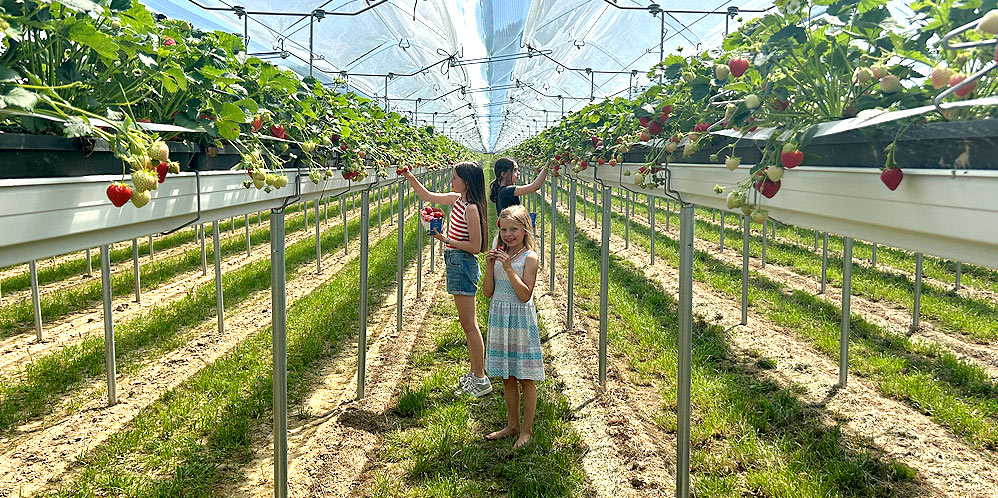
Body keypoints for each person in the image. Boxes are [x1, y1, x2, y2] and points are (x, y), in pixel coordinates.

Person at [401, 162, 492, 397]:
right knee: (466, 324)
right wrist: (409, 176)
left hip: (463, 262)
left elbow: (475, 246)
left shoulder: (471, 208)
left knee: (470, 324)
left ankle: (480, 379)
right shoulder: (457, 200)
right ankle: (475, 374)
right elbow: (427, 195)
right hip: (455, 262)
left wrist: (443, 238)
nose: (451, 181)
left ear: (467, 181)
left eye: (454, 178)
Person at [483, 205, 543, 448]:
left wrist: (508, 268)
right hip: (500, 317)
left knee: (525, 377)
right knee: (507, 376)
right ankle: (512, 425)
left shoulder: (530, 258)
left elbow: (524, 295)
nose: (508, 235)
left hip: (519, 320)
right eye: (504, 229)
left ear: (525, 230)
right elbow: (488, 293)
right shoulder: (499, 255)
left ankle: (526, 431)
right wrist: (490, 266)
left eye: (514, 229)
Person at [489, 158, 547, 247]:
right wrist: (546, 168)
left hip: (507, 231)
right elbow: (535, 187)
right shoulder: (507, 191)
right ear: (503, 174)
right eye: (515, 170)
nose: (518, 173)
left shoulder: (501, 190)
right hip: (512, 233)